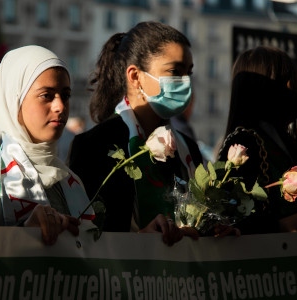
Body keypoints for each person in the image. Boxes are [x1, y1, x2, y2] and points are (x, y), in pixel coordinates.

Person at [68, 21, 208, 245]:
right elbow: (86, 236)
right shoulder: (94, 145)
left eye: (188, 73)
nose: (185, 83)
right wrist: (139, 239)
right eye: (175, 71)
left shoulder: (188, 149)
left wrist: (213, 231)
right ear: (134, 77)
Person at [0, 45, 94, 245]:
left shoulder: (71, 182)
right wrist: (26, 233)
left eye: (65, 95)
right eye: (46, 96)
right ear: (14, 101)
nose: (60, 107)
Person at [218, 46, 297, 234]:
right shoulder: (245, 142)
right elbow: (240, 221)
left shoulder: (286, 141)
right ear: (264, 88)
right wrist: (296, 221)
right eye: (287, 81)